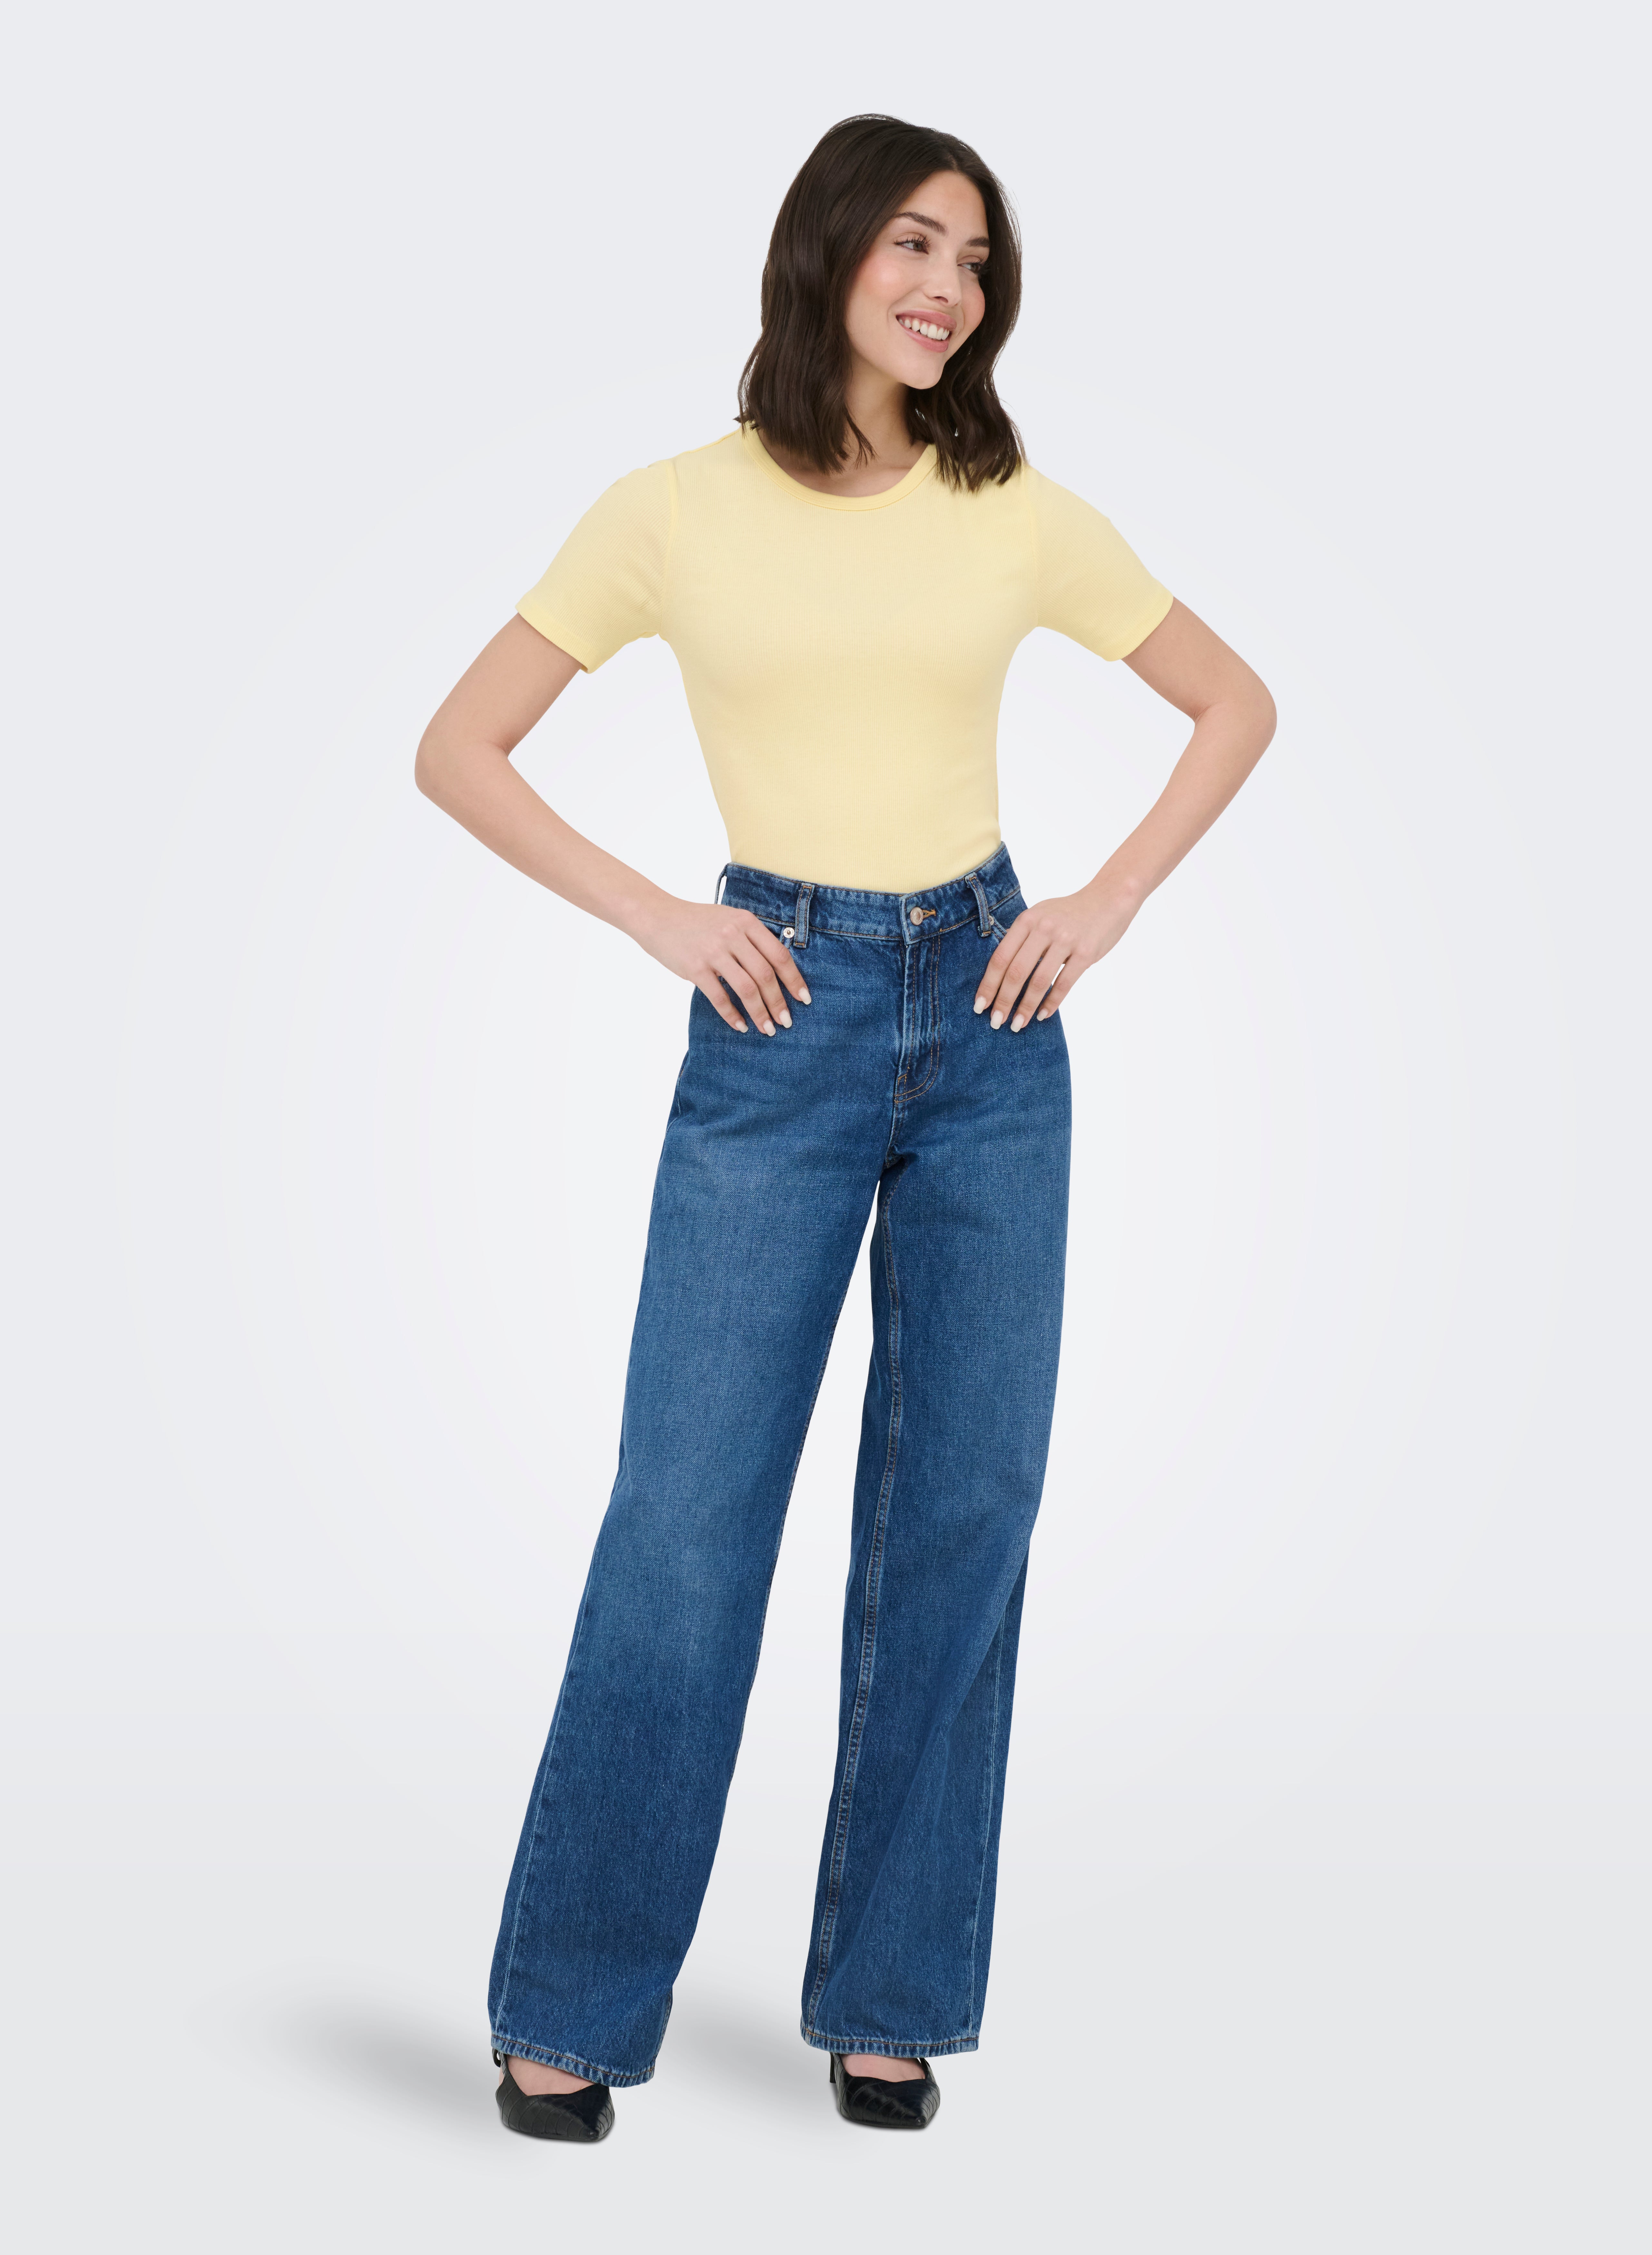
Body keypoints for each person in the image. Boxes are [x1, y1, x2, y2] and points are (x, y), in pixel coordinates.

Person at [415, 113, 1275, 2142]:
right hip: (775, 1016)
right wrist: (664, 916)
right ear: (826, 253)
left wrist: (1104, 902)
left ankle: (889, 1997)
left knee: (961, 1516)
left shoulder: (1011, 505)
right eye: (914, 243)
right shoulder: (671, 508)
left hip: (992, 1017)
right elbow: (459, 745)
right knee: (687, 1521)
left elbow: (1234, 699)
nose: (947, 289)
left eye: (974, 261)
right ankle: (570, 2002)